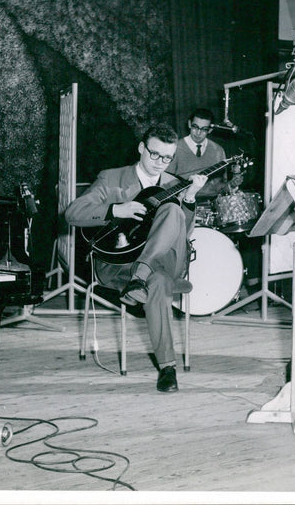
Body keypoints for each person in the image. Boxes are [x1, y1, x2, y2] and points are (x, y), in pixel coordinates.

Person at [65, 124, 206, 393]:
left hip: (164, 259)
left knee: (174, 213)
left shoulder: (175, 185)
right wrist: (117, 209)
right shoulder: (112, 178)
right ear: (141, 148)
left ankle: (140, 275)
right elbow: (73, 213)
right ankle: (168, 367)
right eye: (154, 155)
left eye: (167, 158)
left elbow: (183, 234)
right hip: (117, 264)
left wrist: (189, 198)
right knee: (160, 283)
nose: (159, 164)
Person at [166, 108, 241, 200]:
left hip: (212, 204)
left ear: (210, 130)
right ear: (189, 124)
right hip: (183, 203)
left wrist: (231, 185)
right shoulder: (174, 148)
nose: (198, 133)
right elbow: (166, 184)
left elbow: (221, 188)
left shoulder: (218, 150)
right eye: (195, 127)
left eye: (204, 129)